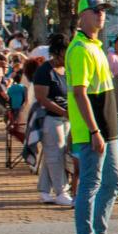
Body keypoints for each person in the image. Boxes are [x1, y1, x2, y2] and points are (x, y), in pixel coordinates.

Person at [66, 0, 118, 234]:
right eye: (95, 10)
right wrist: (93, 130)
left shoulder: (96, 46)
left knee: (111, 183)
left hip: (108, 127)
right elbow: (79, 93)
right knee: (90, 186)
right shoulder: (79, 48)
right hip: (94, 130)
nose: (101, 15)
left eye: (103, 10)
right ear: (82, 15)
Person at [33, 36, 74, 208]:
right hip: (51, 118)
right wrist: (63, 111)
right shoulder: (44, 71)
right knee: (55, 154)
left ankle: (44, 189)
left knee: (54, 154)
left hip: (66, 118)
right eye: (65, 52)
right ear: (57, 52)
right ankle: (61, 191)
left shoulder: (67, 70)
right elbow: (42, 98)